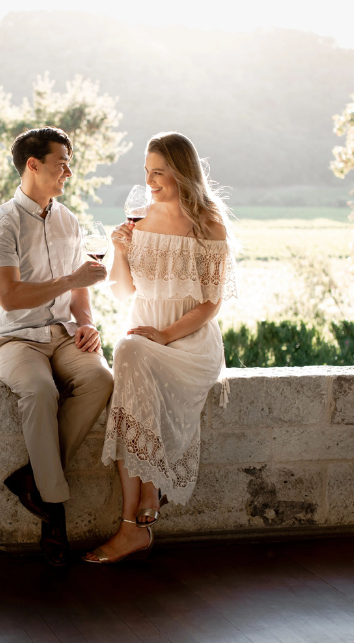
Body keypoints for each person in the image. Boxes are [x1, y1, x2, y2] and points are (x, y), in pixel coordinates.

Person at [84, 132, 237, 564]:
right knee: (130, 358)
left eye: (159, 172)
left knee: (129, 359)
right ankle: (138, 511)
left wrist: (166, 335)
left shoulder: (208, 223)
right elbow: (124, 292)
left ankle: (131, 526)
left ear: (183, 172)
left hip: (187, 342)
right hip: (141, 339)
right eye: (146, 172)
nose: (150, 181)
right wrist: (118, 249)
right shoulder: (138, 220)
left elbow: (211, 302)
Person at [0, 126, 115, 567]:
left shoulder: (68, 220)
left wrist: (88, 324)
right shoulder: (3, 223)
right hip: (15, 338)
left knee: (99, 378)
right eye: (62, 163)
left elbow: (79, 296)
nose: (69, 172)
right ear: (33, 165)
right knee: (40, 392)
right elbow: (10, 297)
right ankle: (54, 513)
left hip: (61, 335)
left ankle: (35, 481)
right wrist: (74, 279)